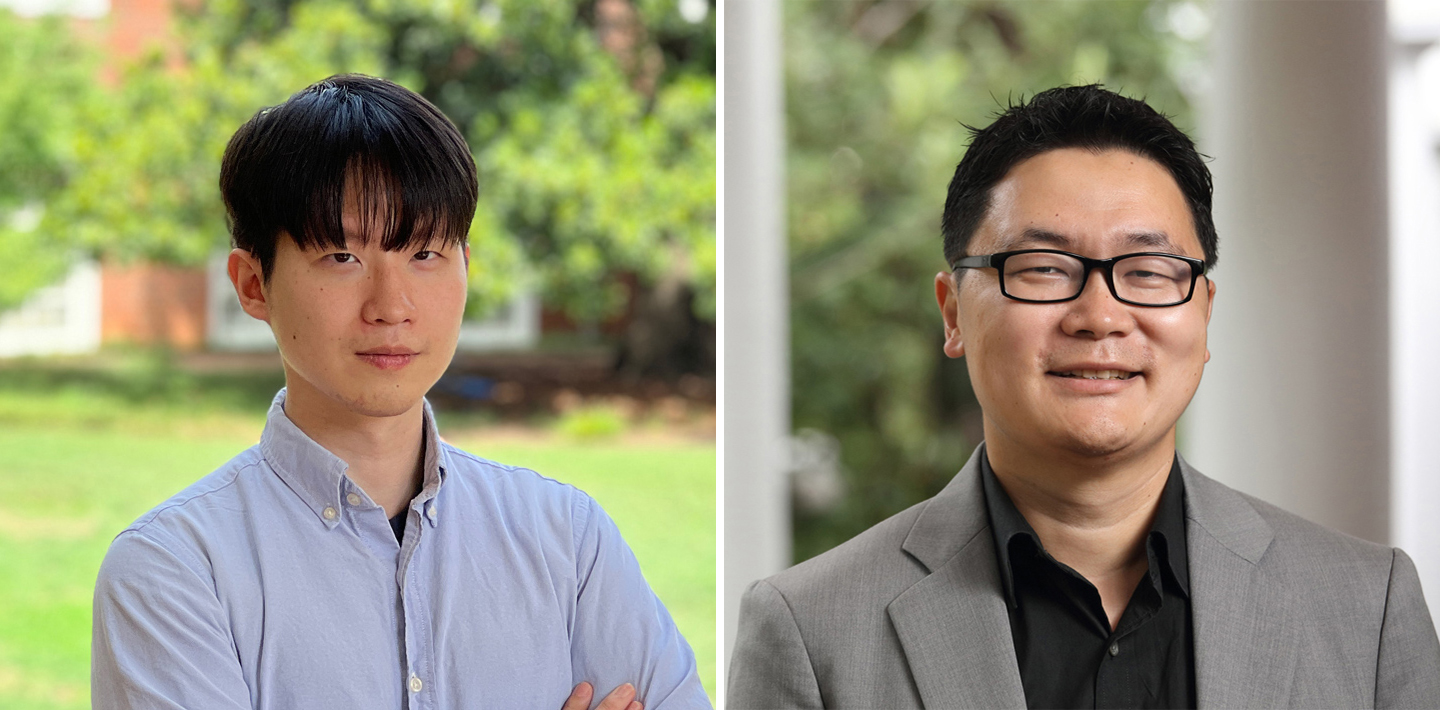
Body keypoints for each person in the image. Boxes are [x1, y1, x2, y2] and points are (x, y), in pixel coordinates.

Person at [727, 85, 1440, 708]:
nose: (1099, 316)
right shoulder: (810, 631)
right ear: (953, 314)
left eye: (1149, 270)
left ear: (1204, 311)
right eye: (1041, 268)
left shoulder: (1366, 609)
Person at [91, 74, 709, 710]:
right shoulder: (176, 571)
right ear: (253, 284)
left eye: (424, 253)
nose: (392, 307)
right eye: (342, 257)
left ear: (466, 268)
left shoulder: (567, 540)